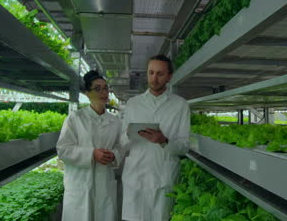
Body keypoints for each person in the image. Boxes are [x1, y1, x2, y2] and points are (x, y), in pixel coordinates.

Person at [121, 55, 190, 221]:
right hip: (136, 175)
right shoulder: (133, 103)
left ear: (169, 76)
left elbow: (184, 146)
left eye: (160, 74)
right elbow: (122, 142)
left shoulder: (180, 105)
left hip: (162, 177)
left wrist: (164, 141)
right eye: (151, 73)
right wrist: (127, 135)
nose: (154, 78)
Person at [57, 70, 123, 221]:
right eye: (97, 88)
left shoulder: (115, 122)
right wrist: (92, 154)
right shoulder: (75, 118)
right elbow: (63, 149)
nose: (103, 92)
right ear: (87, 93)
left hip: (104, 183)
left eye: (105, 88)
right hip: (81, 183)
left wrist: (114, 155)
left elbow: (121, 147)